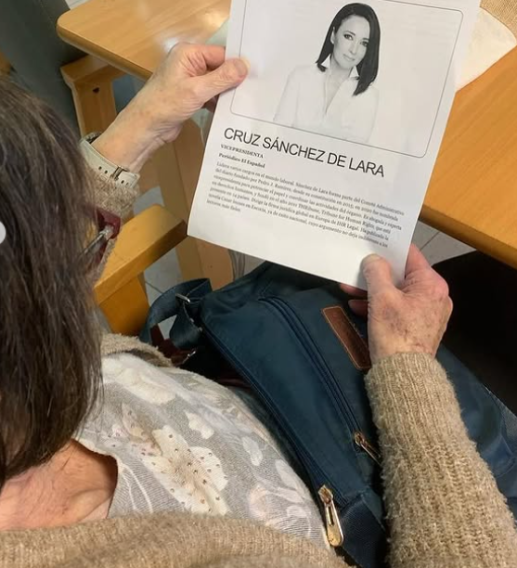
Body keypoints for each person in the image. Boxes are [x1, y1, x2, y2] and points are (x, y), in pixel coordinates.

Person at [0, 43, 516, 568]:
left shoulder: (23, 371)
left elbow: (28, 270)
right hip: (397, 484)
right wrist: (409, 368)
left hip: (255, 376)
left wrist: (142, 127)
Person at [274, 3, 380, 143]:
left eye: (364, 43)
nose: (354, 50)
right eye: (348, 36)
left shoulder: (368, 96)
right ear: (333, 35)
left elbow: (353, 151)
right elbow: (277, 135)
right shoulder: (300, 77)